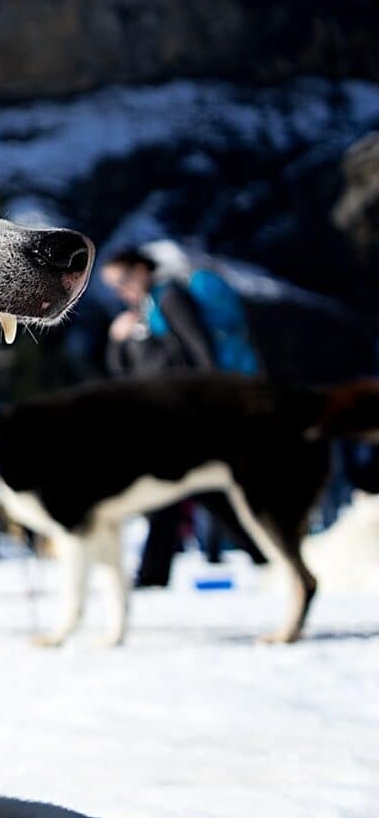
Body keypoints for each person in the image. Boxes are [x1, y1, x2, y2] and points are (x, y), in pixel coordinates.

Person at [101, 246, 262, 587]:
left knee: (181, 486)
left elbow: (199, 347)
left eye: (123, 279)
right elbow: (123, 374)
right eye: (114, 285)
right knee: (198, 489)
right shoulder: (143, 314)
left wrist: (213, 401)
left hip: (190, 414)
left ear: (143, 269)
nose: (120, 290)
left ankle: (154, 574)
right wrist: (117, 341)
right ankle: (263, 555)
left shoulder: (170, 299)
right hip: (170, 415)